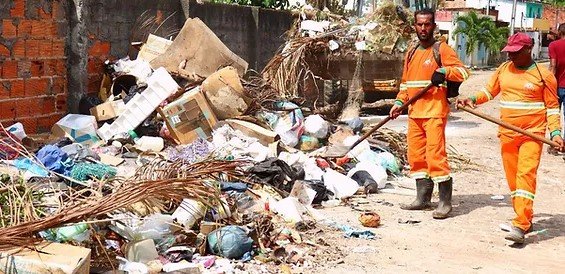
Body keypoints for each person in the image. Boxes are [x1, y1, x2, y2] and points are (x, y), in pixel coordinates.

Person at [457, 32, 565, 244]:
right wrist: (471, 99)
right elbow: (489, 92)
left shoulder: (544, 76)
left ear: (528, 49)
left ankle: (521, 224)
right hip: (507, 134)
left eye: (516, 52)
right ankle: (525, 215)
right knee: (514, 179)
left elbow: (552, 108)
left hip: (532, 135)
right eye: (510, 52)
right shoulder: (503, 69)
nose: (511, 57)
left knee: (525, 176)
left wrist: (556, 133)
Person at [389, 8, 469, 219]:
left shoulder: (441, 49)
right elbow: (406, 84)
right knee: (416, 157)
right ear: (414, 26)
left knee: (435, 156)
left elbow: (462, 71)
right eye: (420, 24)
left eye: (427, 24)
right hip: (415, 113)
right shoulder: (412, 52)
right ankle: (422, 198)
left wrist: (444, 71)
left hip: (434, 112)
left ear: (434, 26)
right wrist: (399, 102)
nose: (423, 28)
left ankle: (444, 202)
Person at [548, 23, 565, 154]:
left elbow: (553, 66)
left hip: (558, 86)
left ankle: (554, 144)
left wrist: (548, 84)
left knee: (554, 114)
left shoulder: (554, 45)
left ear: (559, 32)